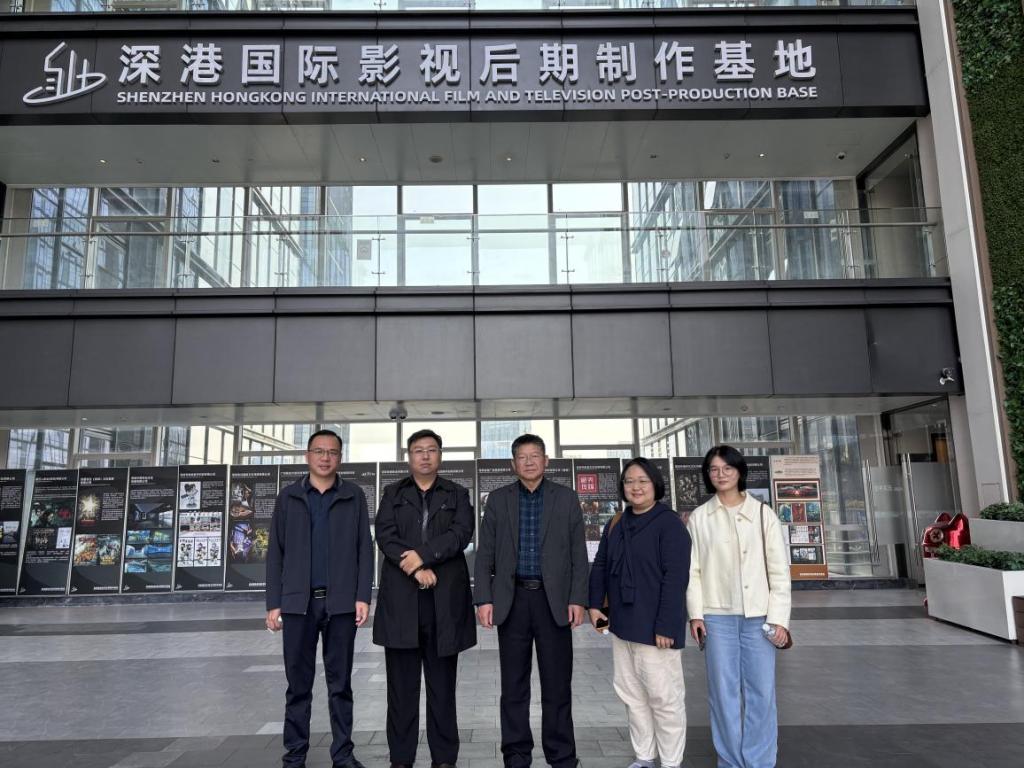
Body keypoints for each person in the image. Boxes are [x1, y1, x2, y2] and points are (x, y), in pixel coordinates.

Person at [474, 434, 588, 768]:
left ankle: (562, 756)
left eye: (534, 455)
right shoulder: (499, 499)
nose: (528, 462)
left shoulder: (565, 498)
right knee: (513, 686)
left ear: (546, 460)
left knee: (557, 685)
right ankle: (516, 755)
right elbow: (485, 553)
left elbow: (578, 554)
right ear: (513, 463)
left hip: (554, 603)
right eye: (522, 457)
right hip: (512, 601)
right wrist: (483, 599)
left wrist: (577, 598)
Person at [265, 429, 372, 768]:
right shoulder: (288, 497)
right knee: (298, 686)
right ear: (307, 456)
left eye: (332, 452)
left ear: (340, 457)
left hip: (340, 604)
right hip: (298, 605)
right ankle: (295, 755)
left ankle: (343, 754)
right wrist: (274, 602)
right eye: (319, 451)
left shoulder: (354, 496)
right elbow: (275, 553)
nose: (326, 458)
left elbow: (364, 550)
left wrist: (362, 596)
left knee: (340, 685)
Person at [374, 429, 476, 768]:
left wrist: (424, 555)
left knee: (442, 690)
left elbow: (461, 534)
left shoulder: (457, 493)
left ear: (440, 456)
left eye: (432, 450)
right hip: (402, 605)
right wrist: (416, 568)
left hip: (443, 605)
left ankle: (444, 759)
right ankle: (401, 759)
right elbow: (385, 536)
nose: (425, 456)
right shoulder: (393, 493)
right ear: (409, 456)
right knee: (401, 692)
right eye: (418, 450)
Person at [686, 445, 792, 768]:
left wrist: (779, 619)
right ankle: (731, 761)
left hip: (759, 617)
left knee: (762, 692)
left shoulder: (763, 514)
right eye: (714, 469)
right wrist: (695, 615)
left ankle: (760, 761)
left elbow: (779, 571)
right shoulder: (700, 518)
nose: (720, 475)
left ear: (739, 472)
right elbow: (693, 572)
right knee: (723, 694)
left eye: (727, 468)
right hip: (716, 617)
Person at [588, 457, 691, 768]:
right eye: (629, 481)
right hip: (622, 624)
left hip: (656, 627)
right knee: (632, 695)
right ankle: (644, 756)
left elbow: (676, 579)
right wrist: (595, 605)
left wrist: (666, 626)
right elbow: (601, 565)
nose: (636, 487)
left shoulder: (669, 524)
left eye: (642, 481)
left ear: (655, 484)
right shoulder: (616, 523)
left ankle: (671, 762)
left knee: (664, 698)